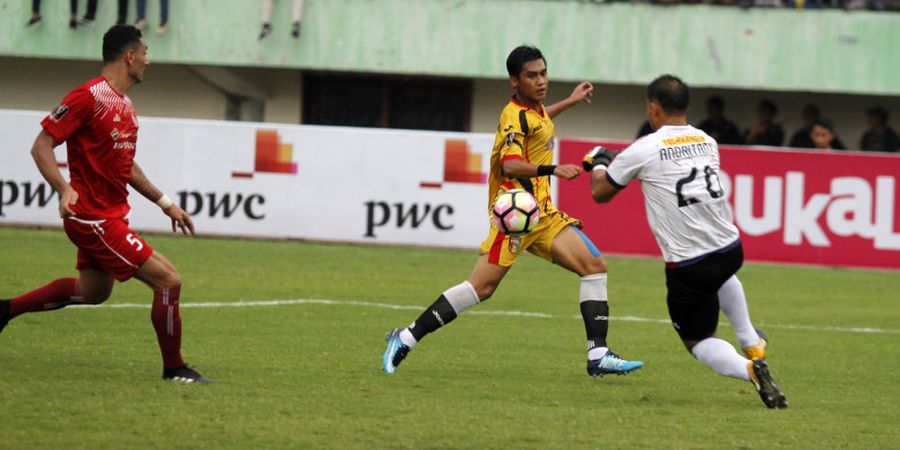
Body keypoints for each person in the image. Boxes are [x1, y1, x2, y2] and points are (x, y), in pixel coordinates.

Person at [382, 46, 643, 377]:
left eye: (543, 73)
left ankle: (599, 355)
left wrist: (571, 101)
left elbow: (540, 121)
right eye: (531, 76)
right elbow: (510, 164)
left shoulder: (534, 111)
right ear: (514, 81)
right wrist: (553, 170)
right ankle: (404, 337)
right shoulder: (513, 115)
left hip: (543, 215)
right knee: (481, 289)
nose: (541, 81)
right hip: (515, 219)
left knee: (594, 266)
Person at [0, 25, 211, 384]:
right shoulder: (88, 97)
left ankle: (5, 310)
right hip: (92, 218)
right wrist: (64, 188)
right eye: (145, 52)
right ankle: (175, 367)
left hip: (109, 216)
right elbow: (42, 146)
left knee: (93, 292)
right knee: (168, 281)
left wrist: (165, 203)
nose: (148, 60)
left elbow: (124, 165)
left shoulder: (125, 106)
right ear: (129, 56)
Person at [584, 74, 786, 408]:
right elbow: (665, 162)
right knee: (722, 276)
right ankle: (751, 339)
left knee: (698, 341)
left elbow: (600, 193)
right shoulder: (707, 140)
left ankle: (750, 368)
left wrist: (599, 163)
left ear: (653, 107)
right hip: (730, 248)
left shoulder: (645, 147)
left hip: (689, 264)